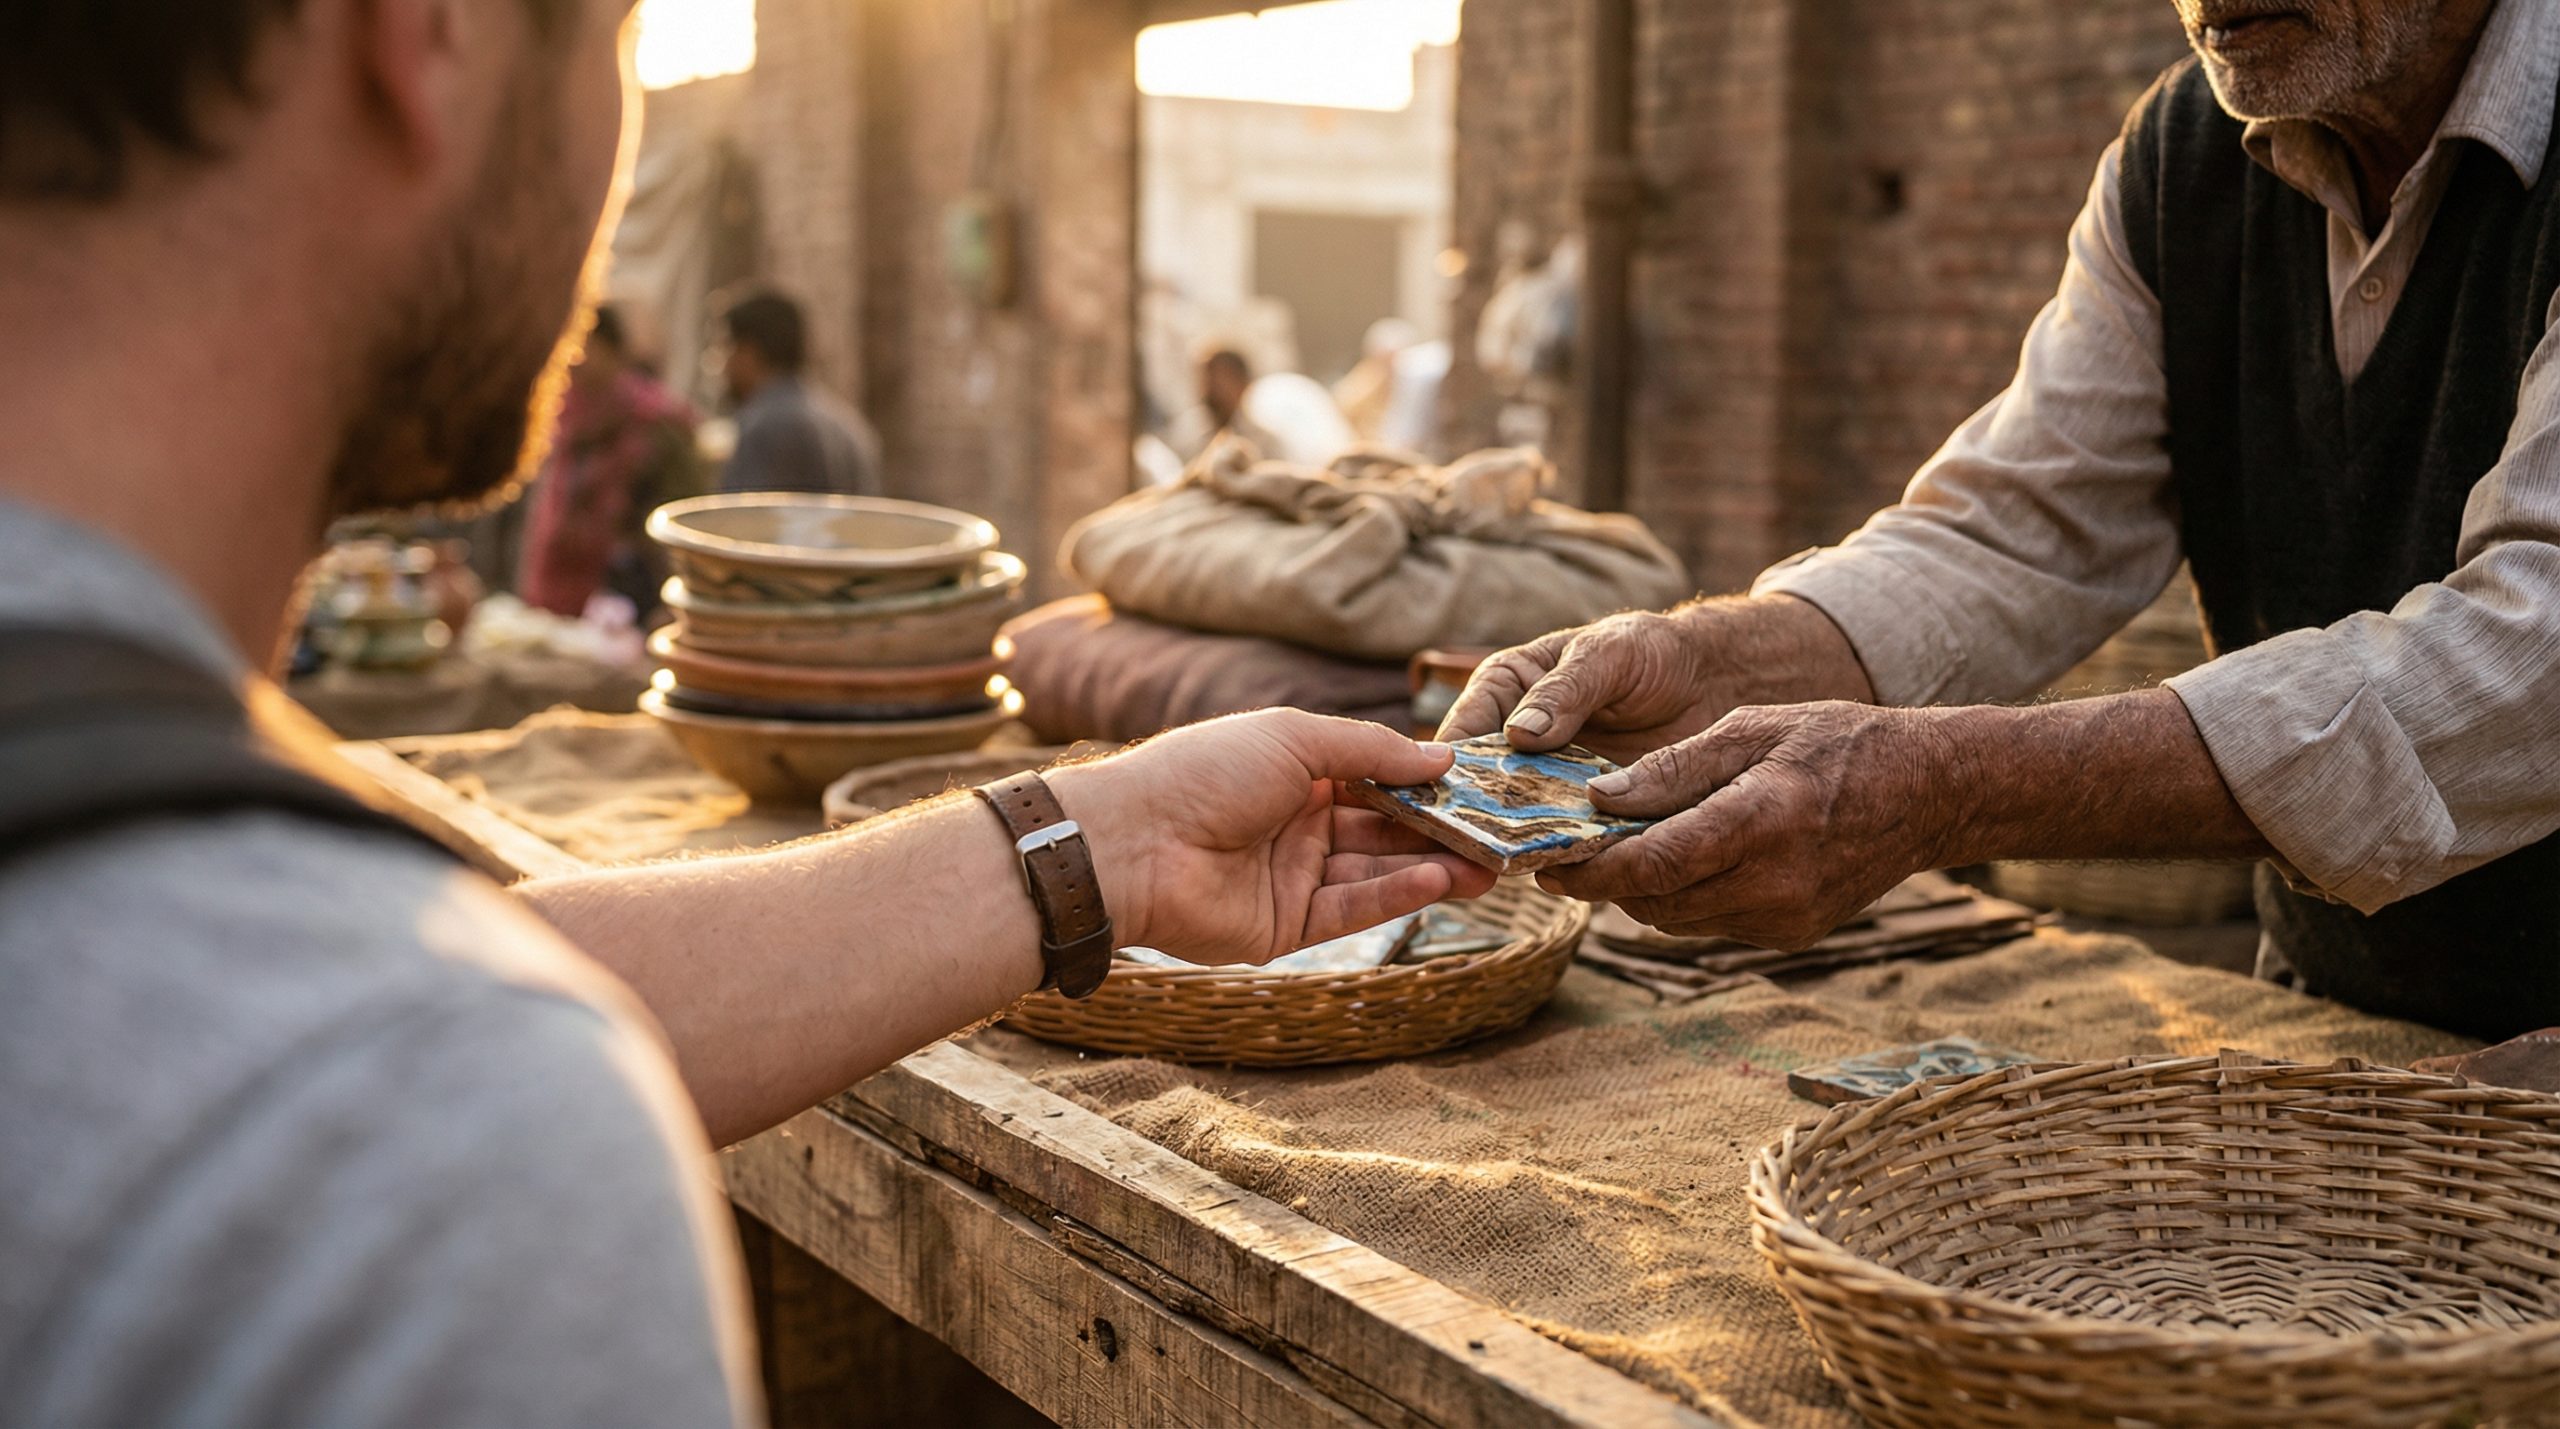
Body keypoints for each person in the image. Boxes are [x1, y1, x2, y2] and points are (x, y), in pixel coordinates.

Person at [0, 4, 1497, 1425]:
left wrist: (1105, 841)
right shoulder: (437, 1138)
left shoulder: (264, 1005)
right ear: (427, 35)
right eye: (620, 31)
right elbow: (357, 1041)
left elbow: (342, 986)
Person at [1446, 0, 2560, 1040]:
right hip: (2346, 1025)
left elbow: (2526, 662)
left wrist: (1952, 787)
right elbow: (2016, 527)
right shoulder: (2182, 156)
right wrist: (1718, 657)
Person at [516, 303, 704, 618]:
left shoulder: (656, 422)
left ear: (612, 349)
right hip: (557, 590)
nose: (574, 361)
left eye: (582, 347)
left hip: (630, 599)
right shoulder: (561, 417)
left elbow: (684, 516)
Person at [713, 287, 882, 496]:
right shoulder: (844, 422)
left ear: (749, 351)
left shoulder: (771, 425)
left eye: (725, 348)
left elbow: (754, 522)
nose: (720, 364)